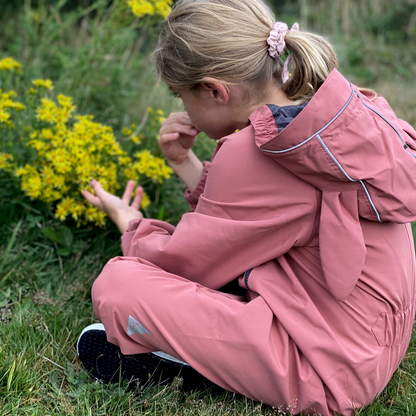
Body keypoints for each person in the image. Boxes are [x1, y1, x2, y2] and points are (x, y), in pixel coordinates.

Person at [76, 0, 416, 414]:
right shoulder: (323, 120)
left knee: (119, 285)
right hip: (375, 342)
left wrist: (131, 224)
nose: (183, 110)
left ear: (215, 90)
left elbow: (187, 263)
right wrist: (185, 163)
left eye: (182, 96)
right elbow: (251, 223)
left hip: (327, 371)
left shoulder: (254, 151)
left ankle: (182, 364)